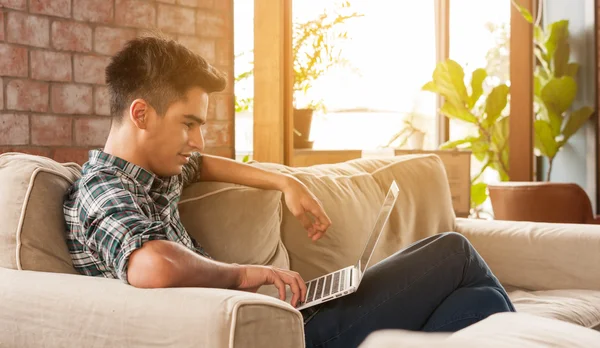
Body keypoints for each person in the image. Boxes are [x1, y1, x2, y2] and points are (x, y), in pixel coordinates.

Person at [63, 35, 515, 348]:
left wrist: (287, 181)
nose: (197, 141)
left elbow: (203, 166)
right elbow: (151, 265)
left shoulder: (158, 171)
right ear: (141, 114)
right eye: (189, 124)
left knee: (482, 303)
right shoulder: (102, 189)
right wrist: (246, 274)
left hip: (287, 321)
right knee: (453, 252)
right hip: (279, 340)